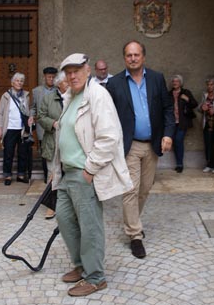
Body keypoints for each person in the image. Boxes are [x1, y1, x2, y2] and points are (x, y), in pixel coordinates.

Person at [50, 53, 132, 297]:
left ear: (87, 70)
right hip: (67, 173)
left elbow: (109, 137)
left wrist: (90, 169)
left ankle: (95, 277)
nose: (72, 75)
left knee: (90, 227)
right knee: (65, 220)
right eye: (68, 71)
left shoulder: (97, 95)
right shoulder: (70, 97)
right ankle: (81, 266)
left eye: (77, 70)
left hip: (84, 174)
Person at [106, 40, 175, 258]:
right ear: (124, 58)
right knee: (130, 189)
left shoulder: (156, 78)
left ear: (143, 56)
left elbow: (167, 109)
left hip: (152, 145)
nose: (133, 58)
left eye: (136, 55)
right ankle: (135, 235)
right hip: (130, 146)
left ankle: (133, 220)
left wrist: (167, 133)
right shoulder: (115, 84)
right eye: (129, 55)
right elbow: (108, 117)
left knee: (144, 189)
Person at [36, 70, 68, 219]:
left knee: (69, 174)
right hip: (53, 141)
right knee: (53, 174)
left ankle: (68, 205)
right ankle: (51, 206)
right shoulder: (49, 98)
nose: (69, 84)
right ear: (59, 84)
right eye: (66, 82)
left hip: (70, 143)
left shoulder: (75, 98)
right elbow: (40, 116)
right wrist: (53, 123)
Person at [0, 72, 33, 185]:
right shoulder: (6, 96)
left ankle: (21, 175)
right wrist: (0, 127)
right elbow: (0, 113)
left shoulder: (26, 96)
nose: (19, 83)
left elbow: (30, 109)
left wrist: (31, 117)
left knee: (23, 153)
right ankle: (7, 176)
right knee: (8, 153)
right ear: (12, 83)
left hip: (22, 129)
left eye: (21, 81)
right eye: (17, 81)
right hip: (10, 128)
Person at [31, 66, 58, 182]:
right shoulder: (37, 91)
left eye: (53, 77)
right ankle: (47, 177)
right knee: (45, 151)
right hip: (43, 126)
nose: (51, 79)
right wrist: (31, 116)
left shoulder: (59, 89)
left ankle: (56, 176)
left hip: (56, 127)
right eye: (49, 77)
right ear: (44, 77)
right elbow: (33, 107)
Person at [168, 74, 197, 173]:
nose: (175, 83)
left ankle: (180, 164)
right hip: (172, 122)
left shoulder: (186, 92)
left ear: (180, 83)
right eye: (173, 81)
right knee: (175, 142)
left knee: (178, 140)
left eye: (177, 81)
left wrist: (187, 99)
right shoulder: (169, 94)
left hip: (183, 122)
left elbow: (194, 104)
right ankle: (178, 163)